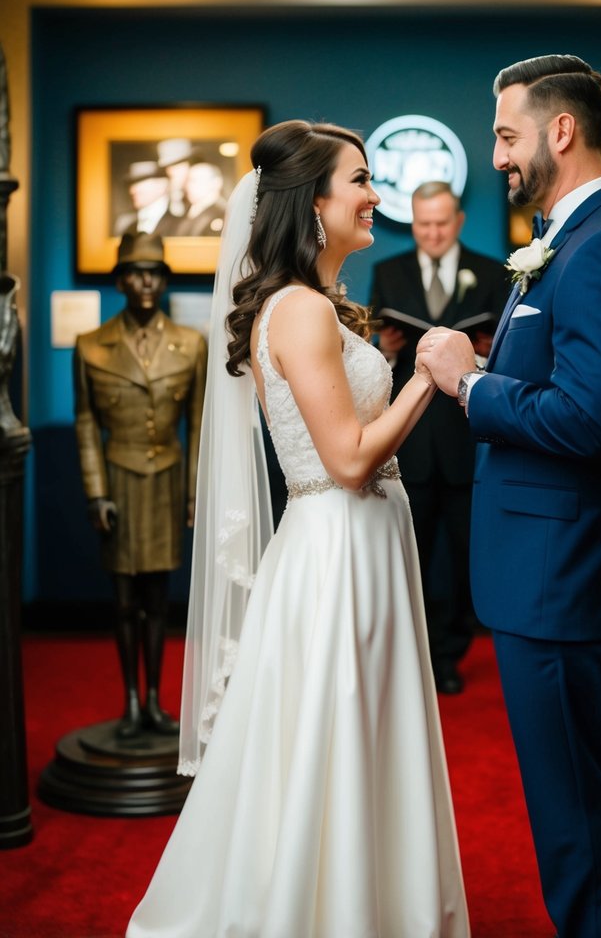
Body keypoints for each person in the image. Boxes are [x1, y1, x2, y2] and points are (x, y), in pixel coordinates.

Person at [126, 121, 469, 938]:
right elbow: (348, 460)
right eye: (359, 180)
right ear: (312, 204)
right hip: (337, 544)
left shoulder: (319, 308)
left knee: (364, 732)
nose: (374, 196)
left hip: (368, 540)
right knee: (332, 736)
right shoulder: (302, 313)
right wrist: (428, 374)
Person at [418, 54, 601, 938]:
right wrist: (487, 373)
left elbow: (587, 422)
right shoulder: (569, 240)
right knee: (566, 815)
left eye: (504, 134)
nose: (496, 156)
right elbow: (565, 391)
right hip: (543, 575)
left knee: (578, 825)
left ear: (559, 130)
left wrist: (468, 385)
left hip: (565, 580)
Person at [369, 180, 508, 694]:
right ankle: (416, 653)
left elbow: (504, 360)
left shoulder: (494, 272)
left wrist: (488, 351)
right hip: (411, 441)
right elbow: (377, 366)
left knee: (467, 557)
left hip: (470, 437)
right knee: (413, 555)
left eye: (441, 223)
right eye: (423, 223)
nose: (431, 232)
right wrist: (384, 347)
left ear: (458, 221)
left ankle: (451, 654)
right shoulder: (389, 272)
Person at [74, 232, 207, 739]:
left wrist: (194, 493)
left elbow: (196, 425)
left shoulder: (191, 344)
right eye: (135, 271)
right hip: (119, 483)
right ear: (120, 280)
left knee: (158, 597)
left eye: (155, 271)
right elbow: (86, 422)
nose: (146, 281)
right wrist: (95, 492)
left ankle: (154, 700)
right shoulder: (92, 346)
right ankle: (130, 699)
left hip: (167, 481)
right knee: (124, 599)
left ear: (165, 279)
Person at [113, 161, 182, 237]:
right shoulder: (127, 226)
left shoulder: (179, 224)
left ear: (161, 184)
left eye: (139, 182)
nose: (132, 190)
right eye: (131, 184)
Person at [175, 159, 227, 236]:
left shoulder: (224, 213)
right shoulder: (186, 211)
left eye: (194, 180)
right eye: (187, 181)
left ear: (216, 183)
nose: (188, 186)